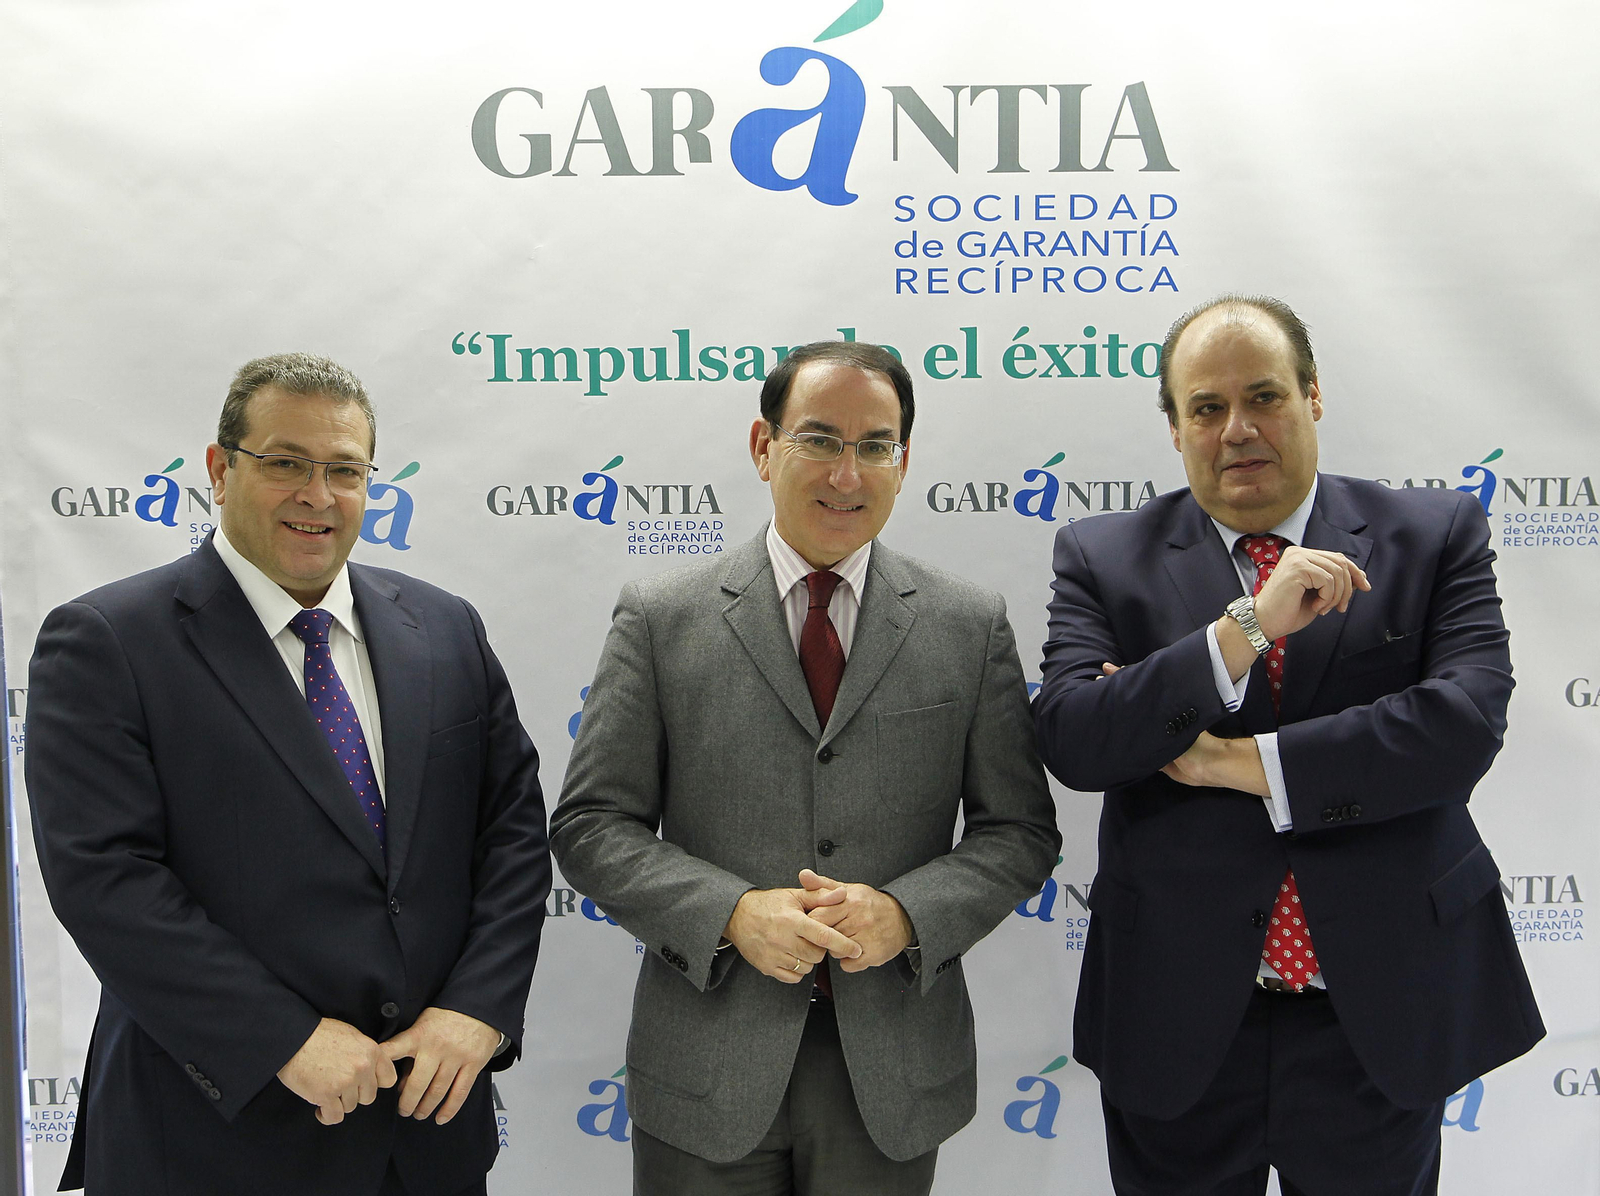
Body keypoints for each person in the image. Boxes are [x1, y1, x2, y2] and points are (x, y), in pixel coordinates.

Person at [1035, 296, 1544, 1195]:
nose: (1237, 429)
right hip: (1177, 1016)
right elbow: (1078, 739)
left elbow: (1463, 723)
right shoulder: (1100, 556)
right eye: (1206, 407)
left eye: (1264, 396)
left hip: (1378, 1014)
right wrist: (1245, 630)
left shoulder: (1432, 535)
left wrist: (1230, 762)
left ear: (1313, 396)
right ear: (1175, 428)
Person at [26, 353, 550, 1196]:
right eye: (286, 463)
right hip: (210, 1140)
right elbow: (105, 880)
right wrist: (283, 1039)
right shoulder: (107, 641)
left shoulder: (445, 628)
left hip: (423, 1138)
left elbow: (513, 835)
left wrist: (478, 1010)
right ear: (219, 469)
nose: (318, 495)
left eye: (345, 470)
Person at [551, 340, 1059, 1196]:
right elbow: (591, 825)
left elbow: (1019, 831)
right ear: (764, 446)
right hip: (705, 1065)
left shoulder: (968, 624)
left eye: (875, 446)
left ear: (904, 463)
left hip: (892, 1072)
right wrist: (730, 912)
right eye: (819, 439)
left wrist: (907, 914)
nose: (846, 474)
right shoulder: (661, 618)